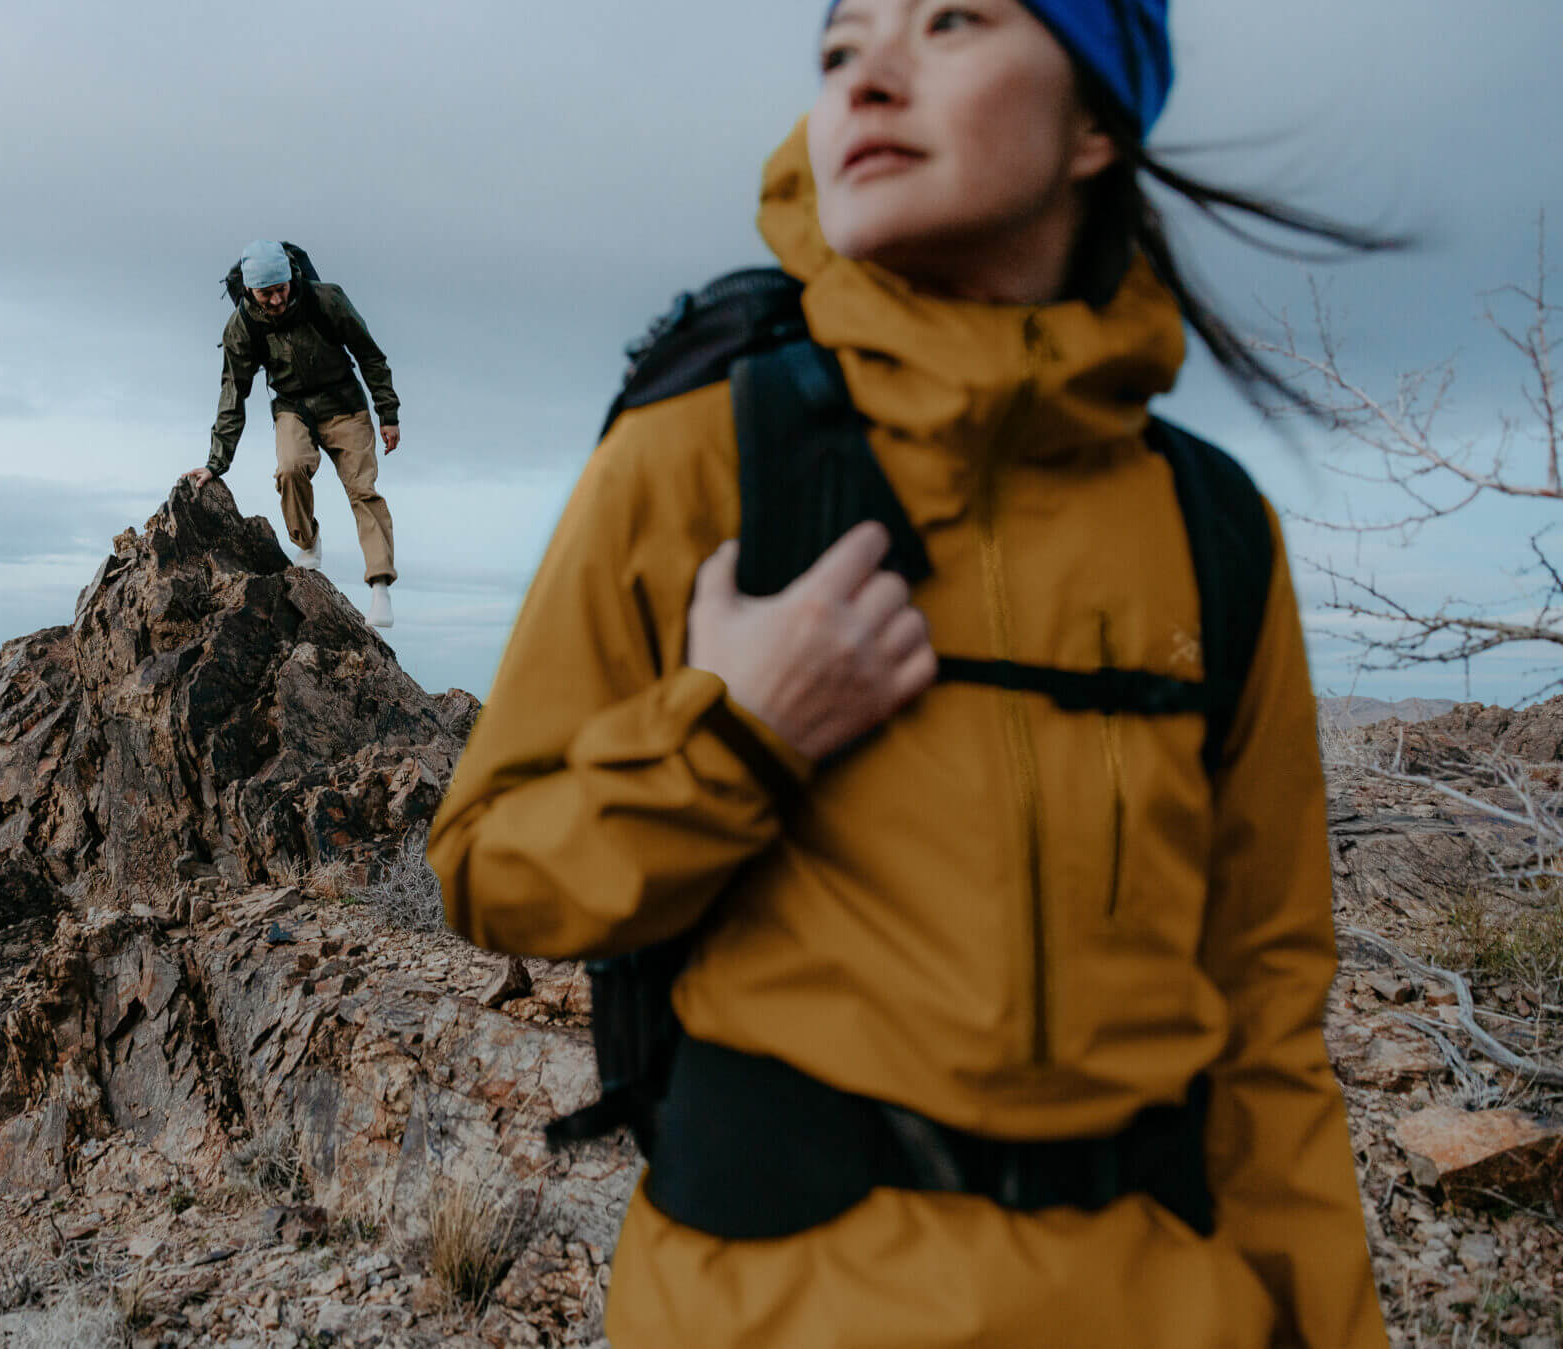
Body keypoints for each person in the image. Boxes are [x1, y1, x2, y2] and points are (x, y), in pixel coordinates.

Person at [427, 1, 1391, 1345]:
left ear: (1096, 119)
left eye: (949, 20)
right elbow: (490, 865)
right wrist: (738, 735)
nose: (867, 80)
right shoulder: (702, 453)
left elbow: (1268, 1034)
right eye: (838, 50)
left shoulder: (1210, 530)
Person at [185, 240, 403, 628]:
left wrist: (388, 413)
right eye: (266, 293)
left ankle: (380, 587)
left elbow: (370, 354)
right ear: (249, 290)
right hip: (293, 408)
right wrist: (216, 463)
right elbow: (233, 392)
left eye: (281, 289)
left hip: (345, 404)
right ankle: (308, 542)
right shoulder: (242, 326)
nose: (276, 300)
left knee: (362, 490)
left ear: (291, 278)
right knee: (290, 469)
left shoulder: (326, 300)